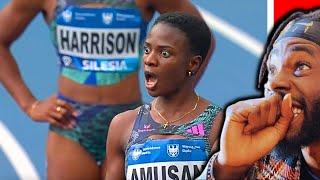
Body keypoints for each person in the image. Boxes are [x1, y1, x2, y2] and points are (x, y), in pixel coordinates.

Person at [0, 0, 214, 179]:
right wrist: (30, 104)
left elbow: (201, 39)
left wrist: (174, 101)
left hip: (131, 127)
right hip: (72, 123)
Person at [198, 8, 320, 180]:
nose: (274, 83)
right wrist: (228, 169)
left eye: (301, 66)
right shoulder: (263, 162)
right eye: (272, 69)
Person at [105, 12, 223, 180]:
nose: (149, 60)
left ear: (193, 63)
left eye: (165, 53)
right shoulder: (123, 126)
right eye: (147, 49)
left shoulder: (219, 125)